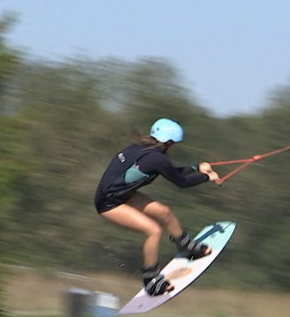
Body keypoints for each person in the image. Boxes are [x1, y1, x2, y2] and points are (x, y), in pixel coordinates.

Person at [94, 118, 222, 296]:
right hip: (108, 203)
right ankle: (151, 280)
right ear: (168, 142)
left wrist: (197, 167)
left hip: (120, 195)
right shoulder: (156, 158)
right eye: (174, 144)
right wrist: (207, 177)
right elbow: (181, 182)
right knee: (153, 230)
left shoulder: (141, 148)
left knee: (163, 212)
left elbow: (169, 171)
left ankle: (186, 246)